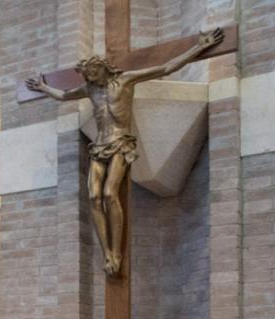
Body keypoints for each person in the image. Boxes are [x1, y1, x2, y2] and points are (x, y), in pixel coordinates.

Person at [25, 27, 224, 276]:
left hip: (120, 142)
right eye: (87, 75)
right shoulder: (90, 90)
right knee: (94, 197)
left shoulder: (126, 79)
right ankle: (107, 252)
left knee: (110, 194)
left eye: (93, 73)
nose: (90, 79)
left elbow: (165, 68)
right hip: (99, 146)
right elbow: (65, 95)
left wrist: (200, 47)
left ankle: (116, 253)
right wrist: (43, 88)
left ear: (102, 68)